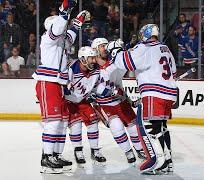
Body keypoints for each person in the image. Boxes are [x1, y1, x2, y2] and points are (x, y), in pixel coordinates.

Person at [32, 0, 90, 174]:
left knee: (62, 122)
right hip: (48, 82)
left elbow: (70, 33)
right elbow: (58, 29)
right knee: (53, 122)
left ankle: (54, 155)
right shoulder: (48, 39)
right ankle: (47, 158)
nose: (64, 30)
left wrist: (78, 20)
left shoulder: (62, 42)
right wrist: (65, 12)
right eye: (62, 27)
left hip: (58, 84)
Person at [111, 24, 177, 174]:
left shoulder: (144, 48)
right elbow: (172, 70)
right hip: (169, 93)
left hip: (154, 92)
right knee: (162, 127)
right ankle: (168, 160)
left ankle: (158, 162)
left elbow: (125, 62)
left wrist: (116, 51)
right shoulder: (165, 48)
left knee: (151, 128)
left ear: (145, 34)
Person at [91, 38, 146, 164]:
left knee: (133, 127)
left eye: (106, 45)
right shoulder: (92, 68)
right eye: (102, 46)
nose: (105, 48)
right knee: (116, 126)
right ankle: (128, 152)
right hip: (104, 104)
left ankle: (140, 150)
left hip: (120, 102)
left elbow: (118, 84)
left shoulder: (115, 64)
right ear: (95, 50)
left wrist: (128, 99)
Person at [64, 46, 106, 166]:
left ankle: (95, 151)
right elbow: (63, 86)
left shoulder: (96, 69)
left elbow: (97, 85)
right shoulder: (71, 69)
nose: (94, 61)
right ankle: (78, 151)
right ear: (83, 59)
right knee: (76, 126)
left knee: (93, 122)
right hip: (70, 102)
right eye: (91, 58)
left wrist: (100, 92)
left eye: (94, 58)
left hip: (83, 101)